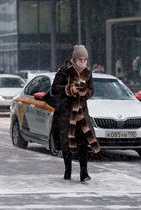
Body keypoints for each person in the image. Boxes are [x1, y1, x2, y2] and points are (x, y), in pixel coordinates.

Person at [50, 45, 100, 182]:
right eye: (80, 59)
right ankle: (68, 171)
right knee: (67, 143)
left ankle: (84, 173)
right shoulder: (64, 70)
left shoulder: (88, 72)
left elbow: (92, 90)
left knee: (84, 142)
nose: (83, 61)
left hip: (81, 113)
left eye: (85, 59)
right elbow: (54, 88)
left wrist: (86, 93)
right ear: (74, 58)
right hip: (66, 112)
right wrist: (68, 89)